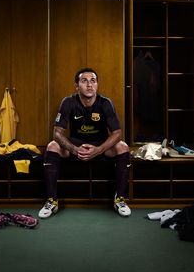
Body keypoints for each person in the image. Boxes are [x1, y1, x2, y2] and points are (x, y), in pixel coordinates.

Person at [38, 67, 131, 218]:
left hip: (100, 145)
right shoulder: (68, 102)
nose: (89, 85)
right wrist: (75, 150)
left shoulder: (106, 103)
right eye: (84, 81)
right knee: (52, 146)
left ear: (97, 85)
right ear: (76, 86)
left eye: (93, 81)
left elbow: (117, 133)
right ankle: (51, 200)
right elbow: (57, 132)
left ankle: (120, 198)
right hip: (76, 145)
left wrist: (98, 149)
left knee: (123, 147)